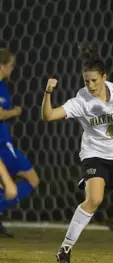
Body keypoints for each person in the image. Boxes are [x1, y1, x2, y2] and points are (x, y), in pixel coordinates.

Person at [41, 44, 113, 263]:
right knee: (94, 199)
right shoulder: (81, 101)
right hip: (94, 155)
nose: (90, 85)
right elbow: (48, 116)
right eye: (86, 81)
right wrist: (48, 92)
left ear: (104, 77)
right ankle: (65, 248)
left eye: (94, 81)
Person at [0, 48, 40, 235]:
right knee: (32, 179)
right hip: (3, 144)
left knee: (5, 184)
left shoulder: (4, 86)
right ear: (2, 65)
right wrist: (15, 112)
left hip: (5, 142)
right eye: (11, 65)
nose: (12, 68)